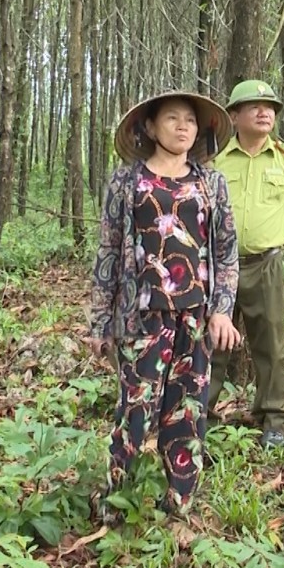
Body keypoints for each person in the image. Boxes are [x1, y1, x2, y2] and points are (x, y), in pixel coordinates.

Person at [85, 90, 243, 525]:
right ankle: (117, 500)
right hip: (141, 317)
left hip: (195, 316)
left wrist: (222, 310)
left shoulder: (212, 183)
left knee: (187, 412)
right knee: (135, 411)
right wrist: (99, 322)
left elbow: (227, 252)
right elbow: (109, 251)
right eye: (172, 119)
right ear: (150, 127)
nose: (182, 127)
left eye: (190, 121)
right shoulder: (126, 181)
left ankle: (178, 505)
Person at [208, 79, 284, 450]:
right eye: (254, 106)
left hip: (266, 265)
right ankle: (202, 414)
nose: (265, 112)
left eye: (270, 107)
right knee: (213, 343)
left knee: (270, 345)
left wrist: (269, 242)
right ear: (234, 116)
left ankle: (273, 419)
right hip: (218, 266)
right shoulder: (214, 161)